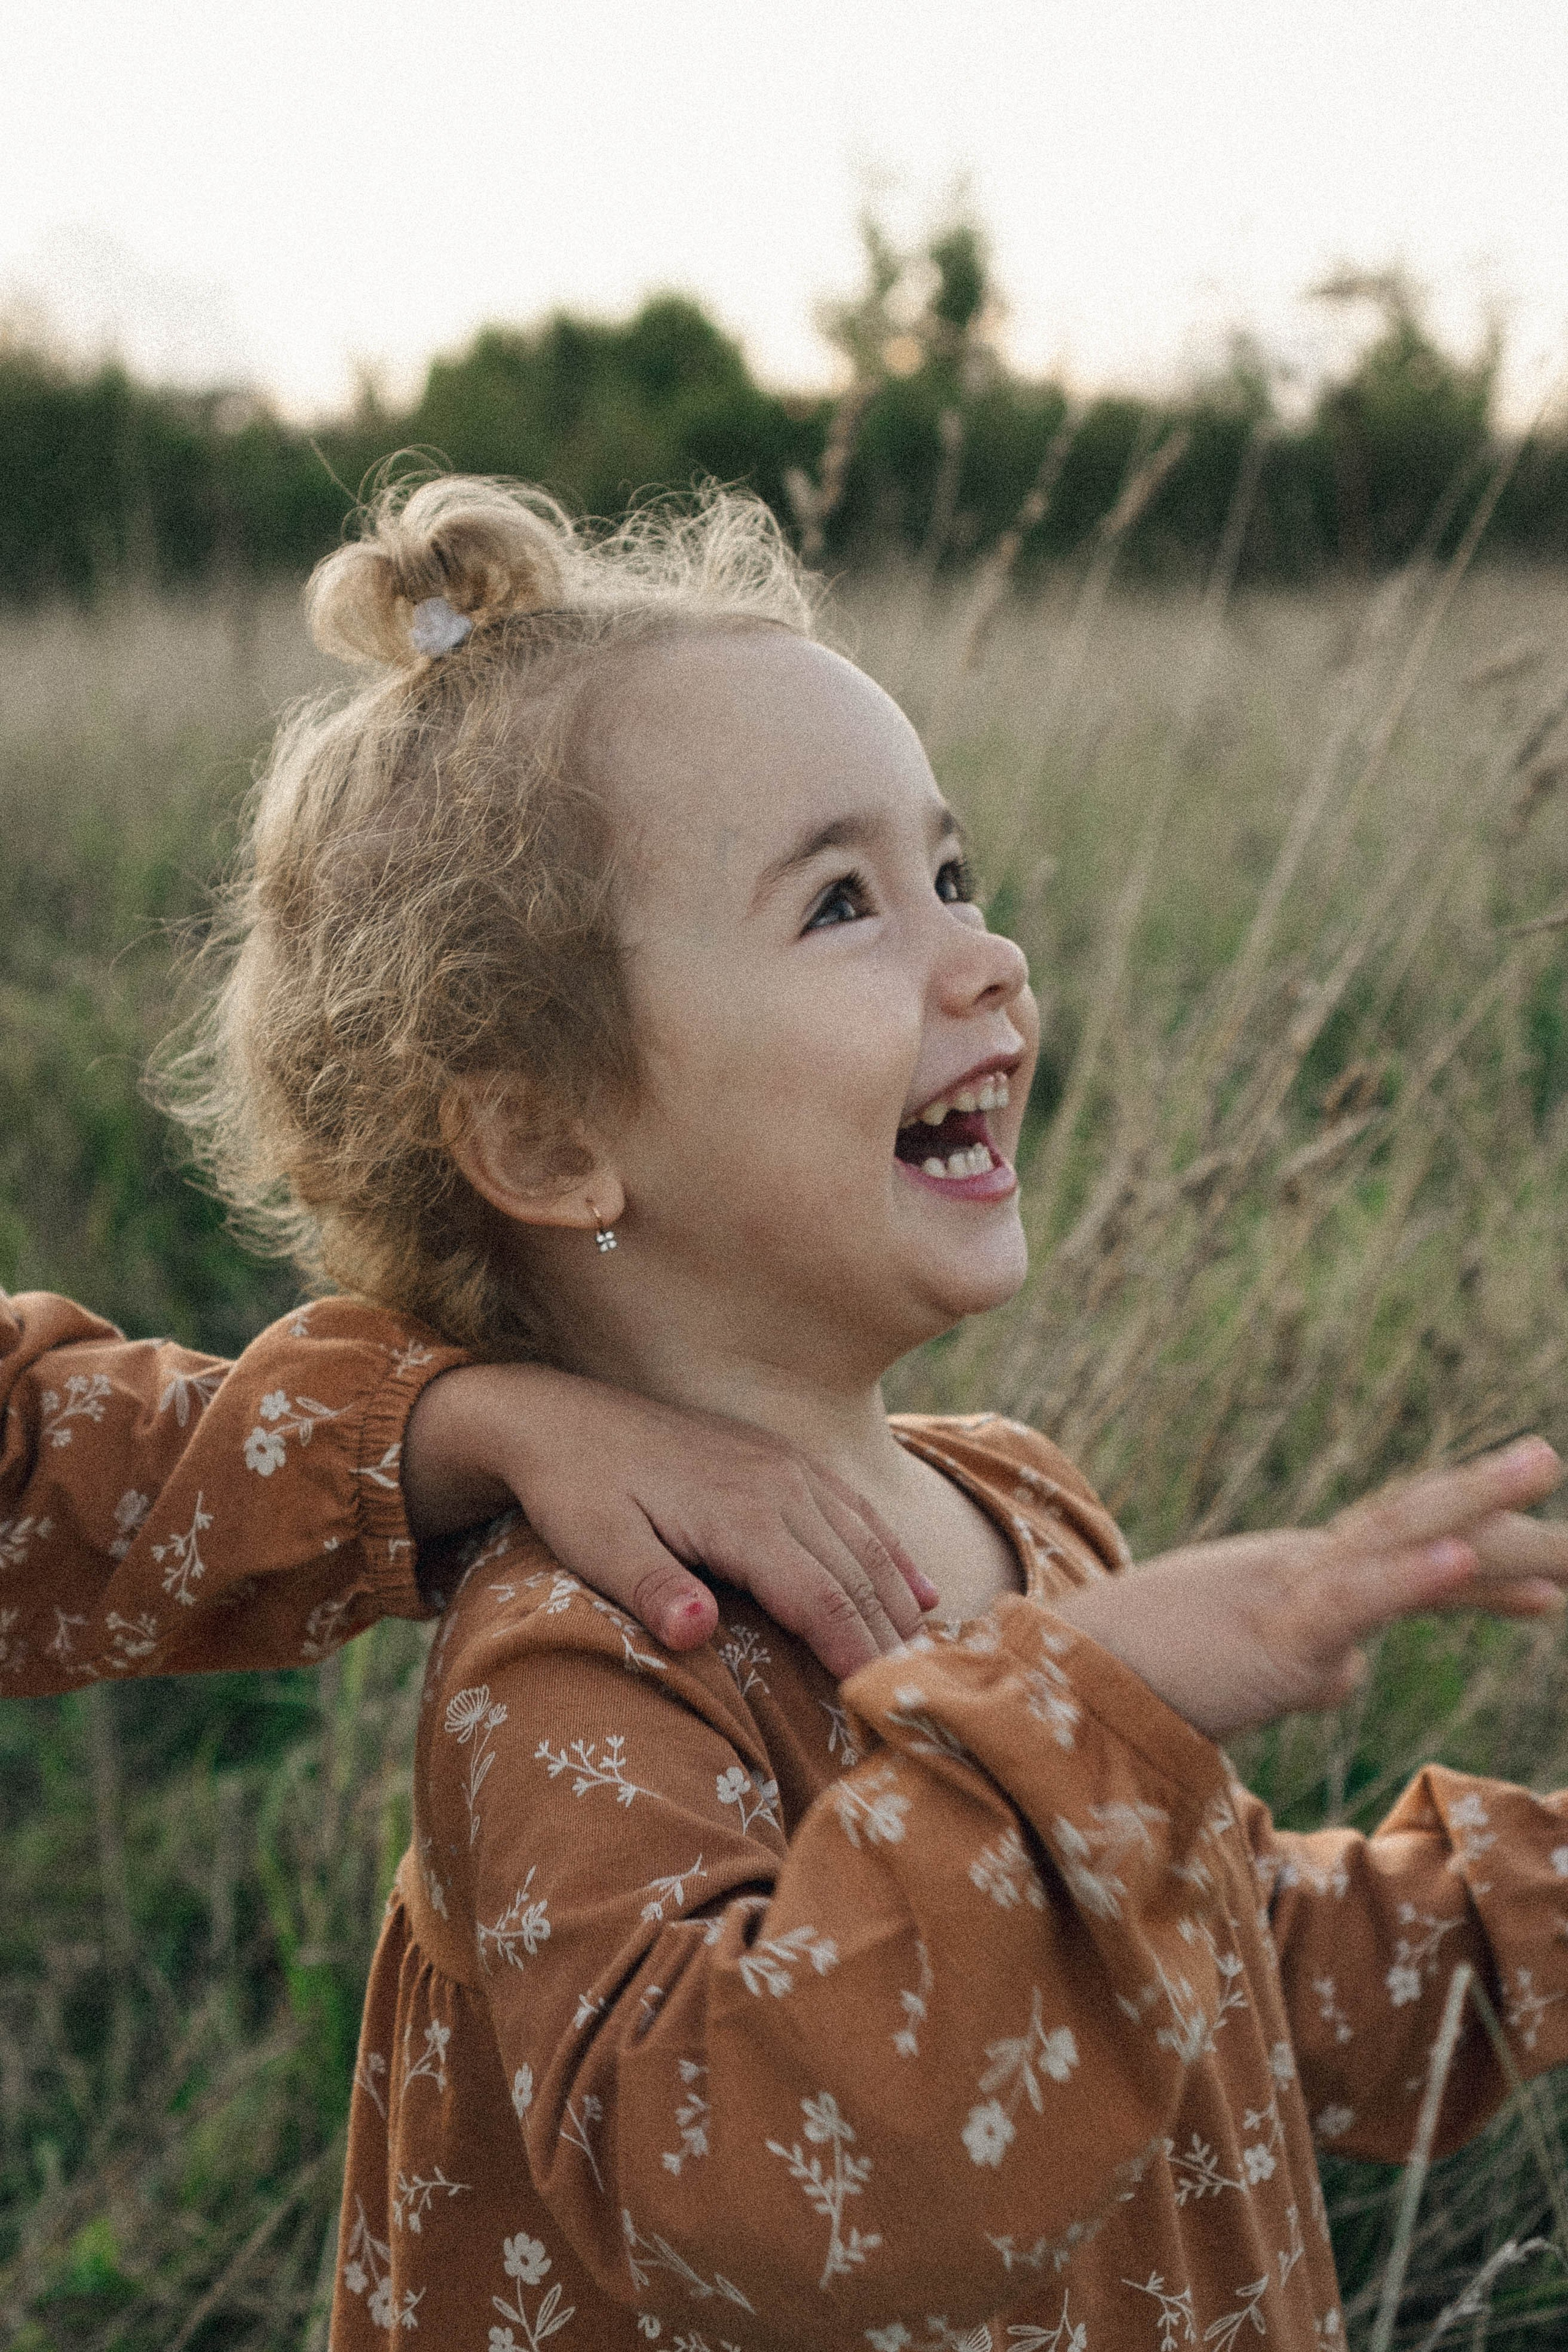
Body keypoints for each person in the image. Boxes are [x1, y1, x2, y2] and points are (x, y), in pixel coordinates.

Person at [15, 474, 1568, 2352]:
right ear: (547, 1142)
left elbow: (1209, 1961)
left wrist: (1532, 1899)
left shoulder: (1018, 1505)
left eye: (955, 876)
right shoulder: (586, 1657)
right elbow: (755, 2177)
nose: (988, 957)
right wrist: (1101, 1702)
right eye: (843, 902)